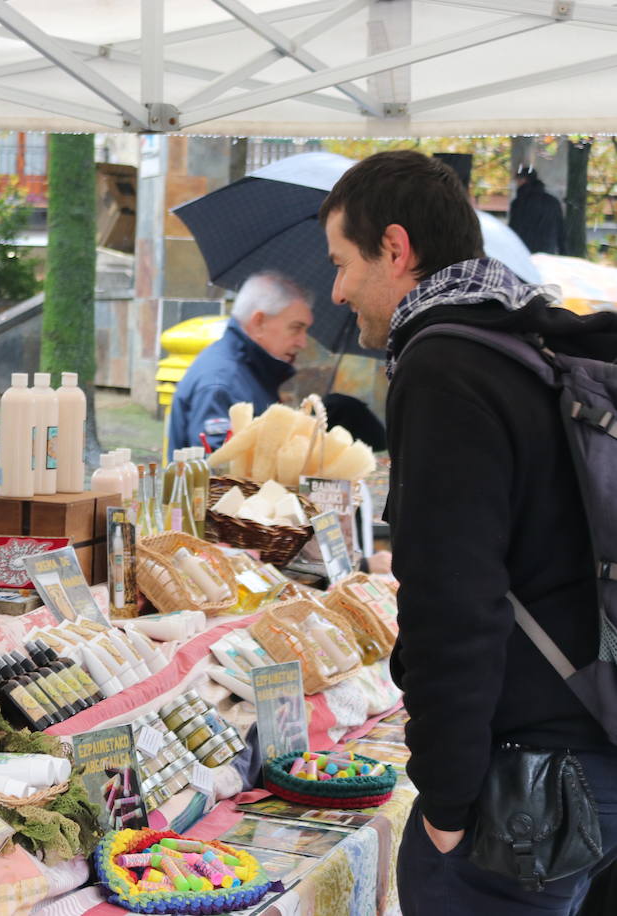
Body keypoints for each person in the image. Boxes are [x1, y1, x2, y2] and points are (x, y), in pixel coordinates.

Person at [321, 149, 617, 913]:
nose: (338, 289)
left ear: (396, 247)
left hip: (530, 776)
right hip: (587, 739)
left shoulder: (444, 363)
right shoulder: (524, 338)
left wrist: (447, 804)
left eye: (343, 262)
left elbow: (456, 601)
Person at [168, 270, 312, 455]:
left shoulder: (246, 372)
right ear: (259, 322)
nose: (303, 342)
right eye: (296, 328)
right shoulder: (222, 382)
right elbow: (218, 475)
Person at [508, 164, 565, 255]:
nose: (516, 184)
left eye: (517, 180)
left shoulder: (519, 202)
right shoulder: (553, 202)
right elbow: (561, 230)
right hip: (547, 251)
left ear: (523, 180)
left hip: (525, 251)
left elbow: (514, 228)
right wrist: (563, 252)